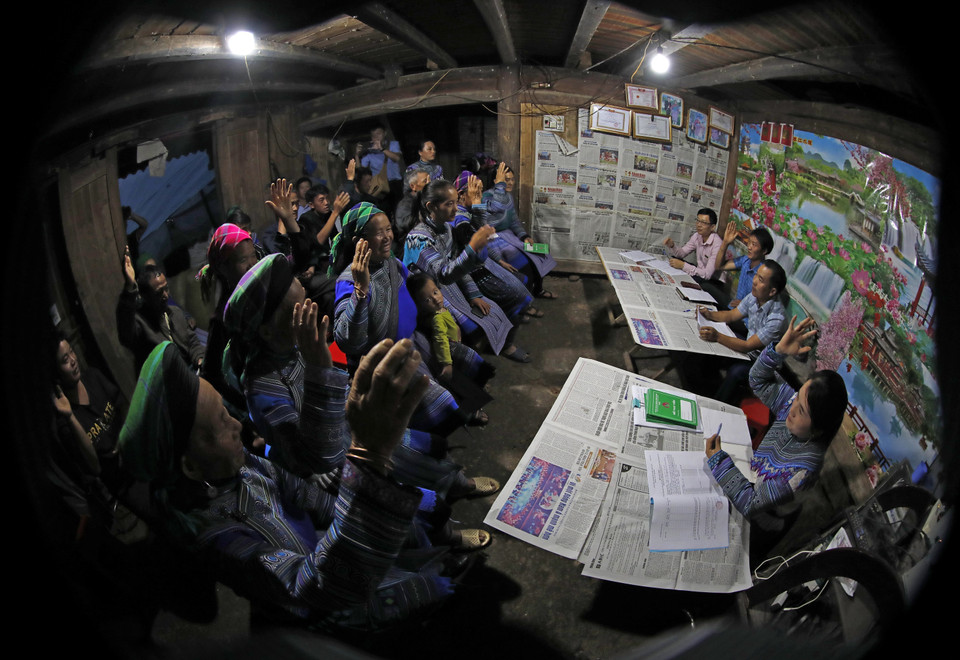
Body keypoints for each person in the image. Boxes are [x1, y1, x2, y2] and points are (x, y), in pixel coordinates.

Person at [117, 338, 472, 629]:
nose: (238, 426)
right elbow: (313, 586)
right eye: (222, 425)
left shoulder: (233, 467)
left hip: (324, 551)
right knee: (436, 593)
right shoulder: (215, 538)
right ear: (191, 467)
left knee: (410, 525)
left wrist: (360, 499)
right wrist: (367, 457)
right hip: (320, 609)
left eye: (228, 413)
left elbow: (306, 495)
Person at [331, 202, 492, 430]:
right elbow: (349, 341)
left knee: (468, 358)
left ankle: (460, 410)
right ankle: (431, 440)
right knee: (439, 401)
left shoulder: (392, 263)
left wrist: (443, 317)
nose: (387, 237)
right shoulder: (349, 281)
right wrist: (361, 289)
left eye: (388, 229)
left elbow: (424, 286)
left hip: (413, 341)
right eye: (379, 233)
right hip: (386, 360)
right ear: (360, 242)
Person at [705, 316, 848, 518]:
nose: (792, 408)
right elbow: (758, 380)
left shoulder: (799, 472)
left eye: (802, 411)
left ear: (819, 429)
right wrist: (779, 352)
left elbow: (750, 503)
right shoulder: (794, 405)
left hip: (768, 516)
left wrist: (719, 462)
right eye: (797, 397)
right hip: (754, 476)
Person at [404, 178, 528, 362]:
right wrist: (471, 248)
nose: (455, 208)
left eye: (456, 202)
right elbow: (443, 273)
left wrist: (473, 294)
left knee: (491, 311)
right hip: (428, 294)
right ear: (431, 206)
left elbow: (453, 260)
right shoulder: (418, 239)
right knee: (463, 327)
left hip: (445, 283)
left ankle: (495, 347)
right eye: (449, 204)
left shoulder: (445, 227)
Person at [695, 259, 788, 403]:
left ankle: (716, 404)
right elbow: (732, 315)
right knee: (711, 348)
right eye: (756, 275)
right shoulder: (755, 296)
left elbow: (747, 346)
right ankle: (702, 386)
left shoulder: (777, 319)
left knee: (736, 372)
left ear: (772, 291)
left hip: (762, 364)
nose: (755, 281)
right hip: (749, 348)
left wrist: (718, 336)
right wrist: (708, 314)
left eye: (761, 279)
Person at [53, 333, 125, 494]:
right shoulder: (65, 421)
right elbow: (94, 467)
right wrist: (70, 416)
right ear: (56, 374)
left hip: (135, 453)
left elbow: (122, 403)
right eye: (65, 360)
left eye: (72, 352)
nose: (73, 360)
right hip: (119, 483)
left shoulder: (93, 376)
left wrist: (126, 437)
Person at [406, 271, 496, 400]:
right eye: (427, 300)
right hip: (450, 353)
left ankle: (478, 388)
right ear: (419, 306)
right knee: (465, 374)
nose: (436, 299)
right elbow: (440, 340)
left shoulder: (440, 309)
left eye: (435, 292)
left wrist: (457, 328)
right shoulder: (436, 318)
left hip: (456, 342)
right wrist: (446, 363)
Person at [117, 249, 204, 373]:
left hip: (192, 374)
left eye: (166, 289)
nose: (165, 295)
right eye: (158, 293)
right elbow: (126, 333)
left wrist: (199, 358)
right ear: (145, 296)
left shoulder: (175, 313)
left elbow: (192, 342)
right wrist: (130, 288)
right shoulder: (142, 325)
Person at [481, 162, 558, 300]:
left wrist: (524, 236)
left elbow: (514, 221)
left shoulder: (508, 197)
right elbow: (496, 208)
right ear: (496, 181)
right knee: (523, 261)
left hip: (509, 235)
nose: (510, 183)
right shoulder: (486, 196)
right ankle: (524, 300)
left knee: (540, 252)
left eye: (512, 179)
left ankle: (538, 290)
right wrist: (500, 186)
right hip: (493, 239)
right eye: (506, 180)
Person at [702, 223, 774, 336]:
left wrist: (747, 304)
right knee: (706, 286)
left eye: (754, 244)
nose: (749, 247)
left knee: (713, 319)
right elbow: (719, 266)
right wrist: (725, 243)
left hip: (745, 319)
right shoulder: (745, 260)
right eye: (749, 242)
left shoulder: (765, 272)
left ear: (764, 251)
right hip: (733, 306)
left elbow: (766, 304)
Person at [662, 208, 723, 282]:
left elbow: (707, 274)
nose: (699, 225)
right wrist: (672, 246)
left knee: (683, 269)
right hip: (699, 273)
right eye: (698, 221)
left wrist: (683, 265)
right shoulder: (697, 236)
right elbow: (682, 253)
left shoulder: (717, 244)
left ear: (712, 227)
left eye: (703, 222)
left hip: (713, 281)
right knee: (675, 260)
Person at [394, 168, 430, 251]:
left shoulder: (427, 201)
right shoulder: (404, 204)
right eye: (425, 181)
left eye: (429, 180)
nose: (429, 184)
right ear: (413, 186)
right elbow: (406, 225)